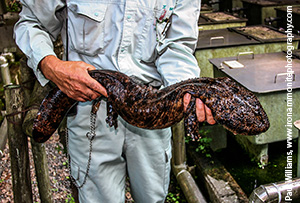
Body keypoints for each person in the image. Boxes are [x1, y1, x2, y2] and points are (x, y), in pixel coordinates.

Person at [14, 0, 216, 202]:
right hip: (90, 107)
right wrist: (52, 67)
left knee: (152, 197)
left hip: (152, 109)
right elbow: (32, 22)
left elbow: (177, 45)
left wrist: (188, 89)